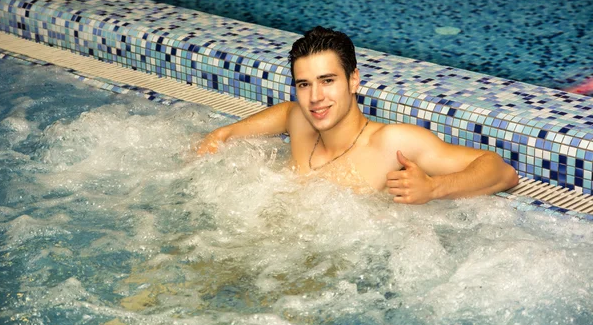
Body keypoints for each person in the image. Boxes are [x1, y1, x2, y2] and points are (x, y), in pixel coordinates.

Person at [196, 26, 519, 204]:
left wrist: (434, 188)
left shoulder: (390, 143)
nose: (316, 97)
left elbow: (501, 172)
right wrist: (225, 133)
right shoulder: (301, 121)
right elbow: (285, 112)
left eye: (327, 81)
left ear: (353, 80)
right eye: (304, 84)